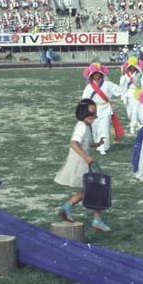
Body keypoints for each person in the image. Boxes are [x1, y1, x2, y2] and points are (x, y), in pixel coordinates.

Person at [54, 98, 110, 233]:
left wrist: (97, 144)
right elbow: (74, 143)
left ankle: (68, 207)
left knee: (92, 189)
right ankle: (96, 219)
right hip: (80, 161)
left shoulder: (85, 126)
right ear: (82, 113)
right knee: (96, 188)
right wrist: (86, 157)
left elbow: (84, 142)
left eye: (95, 113)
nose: (93, 116)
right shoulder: (82, 126)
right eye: (90, 113)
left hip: (82, 160)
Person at [80, 62, 123, 155]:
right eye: (95, 74)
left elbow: (119, 90)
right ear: (92, 76)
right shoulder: (89, 87)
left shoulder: (107, 84)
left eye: (98, 73)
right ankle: (98, 144)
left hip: (105, 108)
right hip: (94, 110)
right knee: (95, 128)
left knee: (104, 127)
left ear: (101, 74)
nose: (97, 75)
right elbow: (84, 100)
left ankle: (103, 147)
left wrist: (125, 84)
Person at [117, 56, 143, 133]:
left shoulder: (139, 74)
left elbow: (141, 84)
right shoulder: (125, 75)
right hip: (127, 95)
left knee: (135, 111)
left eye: (133, 66)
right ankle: (138, 124)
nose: (132, 68)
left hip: (136, 94)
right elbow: (121, 85)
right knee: (129, 113)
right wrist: (122, 78)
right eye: (130, 66)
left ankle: (132, 127)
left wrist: (135, 81)